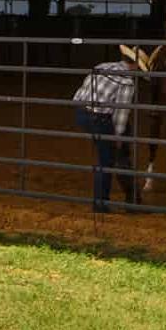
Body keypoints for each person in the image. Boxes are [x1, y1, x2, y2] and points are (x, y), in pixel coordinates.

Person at [71, 49, 140, 213]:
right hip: (99, 119)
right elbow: (120, 115)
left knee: (106, 155)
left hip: (81, 112)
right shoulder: (127, 82)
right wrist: (118, 136)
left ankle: (113, 199)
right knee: (106, 161)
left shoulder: (102, 66)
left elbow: (80, 93)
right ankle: (101, 203)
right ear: (136, 65)